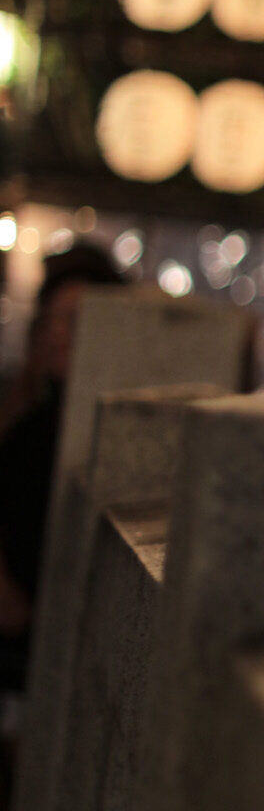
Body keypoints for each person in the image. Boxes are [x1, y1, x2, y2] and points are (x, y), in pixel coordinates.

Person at [0, 243, 124, 690]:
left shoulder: (106, 438)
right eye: (52, 317)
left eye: (73, 321)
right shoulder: (31, 425)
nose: (56, 333)